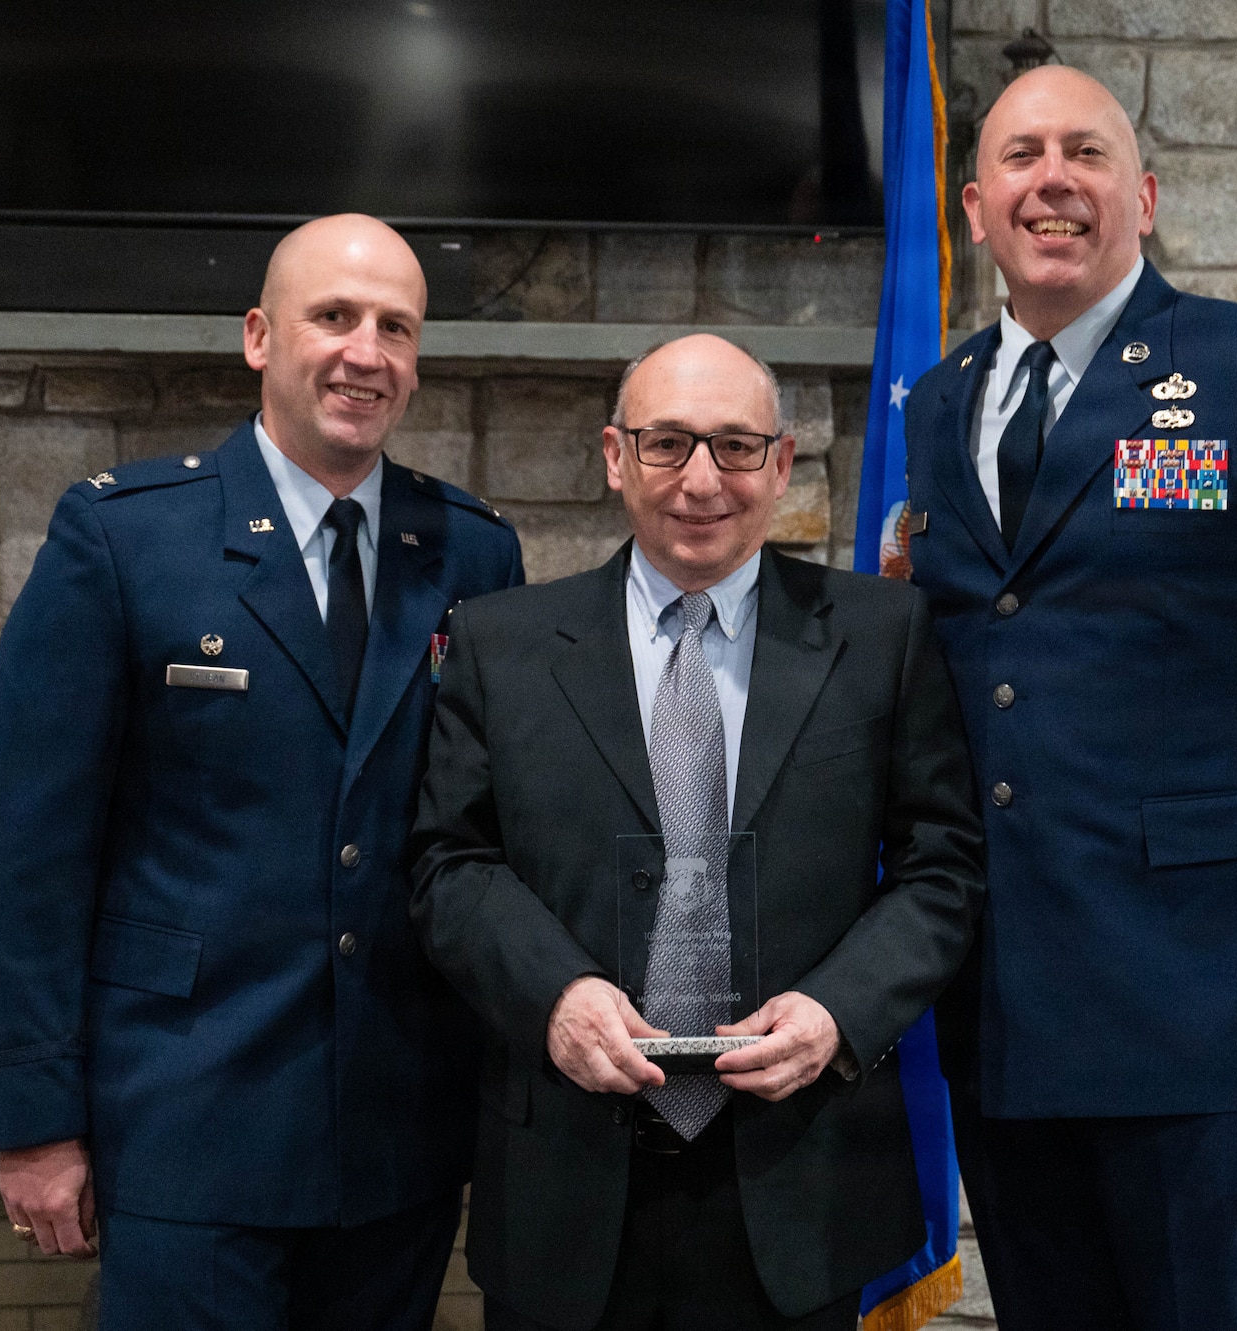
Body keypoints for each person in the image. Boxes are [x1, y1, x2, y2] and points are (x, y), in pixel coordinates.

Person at [899, 67, 1237, 1330]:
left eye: (1084, 152)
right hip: (1003, 1005)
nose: (1052, 178)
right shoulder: (936, 408)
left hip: (1212, 1006)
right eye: (1021, 156)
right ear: (974, 208)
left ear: (1139, 197)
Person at [0, 214, 523, 1329]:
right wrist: (32, 1117)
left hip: (395, 1129)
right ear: (260, 336)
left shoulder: (470, 551)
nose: (366, 351)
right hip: (183, 1119)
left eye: (395, 328)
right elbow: (28, 853)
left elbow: (484, 824)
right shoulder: (124, 538)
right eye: (334, 317)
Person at [409, 334, 985, 1331]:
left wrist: (838, 1011)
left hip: (799, 1180)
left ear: (779, 460)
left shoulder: (880, 635)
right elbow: (448, 863)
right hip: (567, 1179)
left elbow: (942, 868)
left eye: (733, 445)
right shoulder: (499, 642)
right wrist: (551, 994)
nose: (701, 479)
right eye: (667, 442)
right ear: (613, 456)